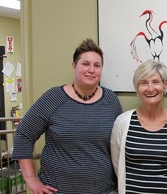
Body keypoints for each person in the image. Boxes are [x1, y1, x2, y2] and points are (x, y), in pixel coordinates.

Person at [12, 38, 122, 194]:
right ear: (74, 66)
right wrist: (31, 180)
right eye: (85, 64)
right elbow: (23, 135)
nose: (91, 69)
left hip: (104, 190)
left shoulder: (111, 100)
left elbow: (118, 144)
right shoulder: (53, 98)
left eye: (97, 65)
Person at [110, 60, 167, 194]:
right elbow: (118, 164)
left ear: (165, 85)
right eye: (144, 83)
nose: (150, 88)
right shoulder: (122, 123)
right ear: (137, 88)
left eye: (156, 82)